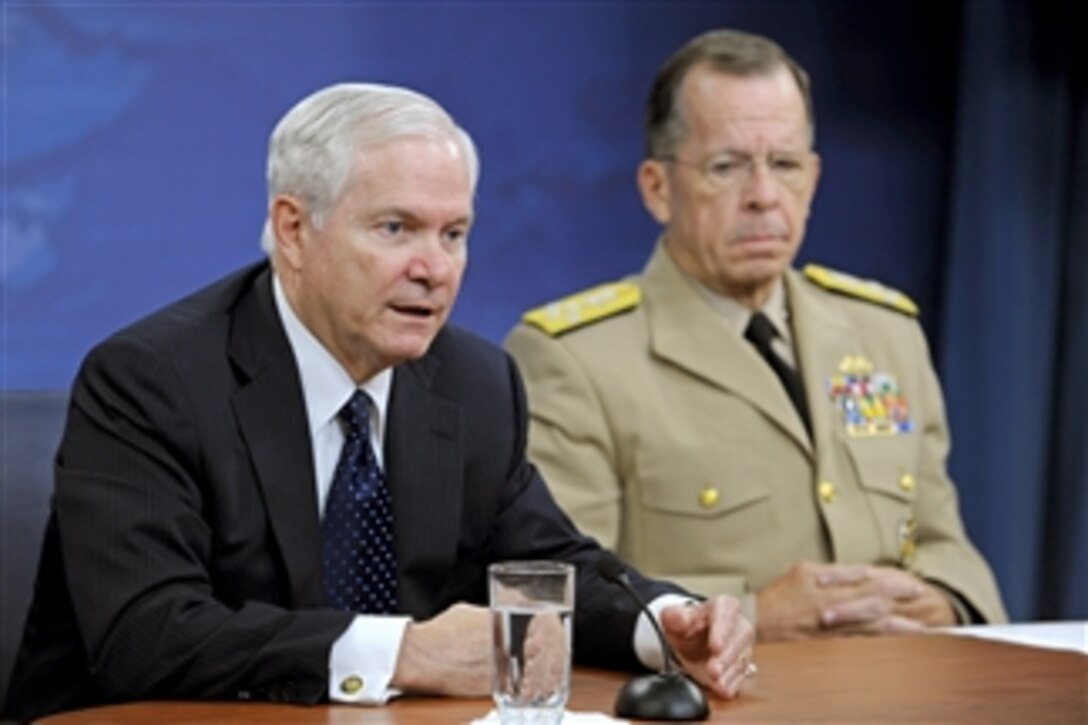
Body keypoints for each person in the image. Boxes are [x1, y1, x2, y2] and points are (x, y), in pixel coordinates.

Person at [3, 83, 755, 722]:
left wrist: (663, 624)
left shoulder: (475, 382)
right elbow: (148, 634)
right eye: (396, 229)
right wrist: (405, 650)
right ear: (295, 230)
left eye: (454, 233)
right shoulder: (151, 380)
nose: (434, 269)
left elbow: (547, 563)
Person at [504, 29, 1007, 642]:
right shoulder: (573, 360)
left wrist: (941, 599)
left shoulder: (885, 333)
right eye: (727, 167)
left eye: (786, 165)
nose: (765, 197)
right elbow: (562, 594)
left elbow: (942, 541)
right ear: (657, 188)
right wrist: (753, 614)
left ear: (814, 178)